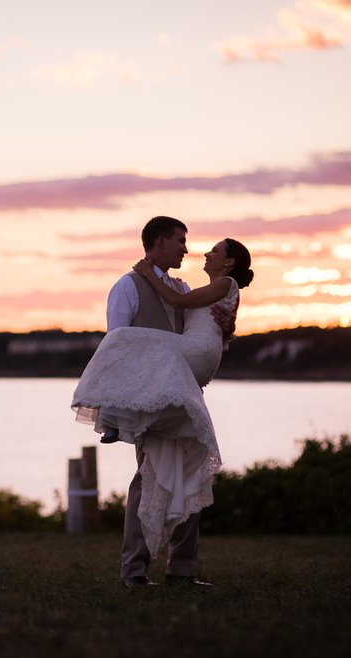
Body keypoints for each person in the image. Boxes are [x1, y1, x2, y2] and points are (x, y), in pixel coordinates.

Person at [71, 217, 253, 589]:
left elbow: (204, 324)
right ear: (160, 242)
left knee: (194, 470)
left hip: (184, 390)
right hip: (152, 400)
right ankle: (134, 571)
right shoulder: (128, 285)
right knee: (150, 476)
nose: (188, 249)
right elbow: (118, 347)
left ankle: (182, 570)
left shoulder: (184, 288)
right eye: (181, 241)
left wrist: (228, 327)